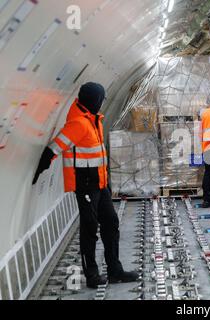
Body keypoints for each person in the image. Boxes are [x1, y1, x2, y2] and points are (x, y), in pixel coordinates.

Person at [32, 82, 139, 289]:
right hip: (86, 187)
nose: (101, 104)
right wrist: (39, 170)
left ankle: (115, 270)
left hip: (100, 184)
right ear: (94, 100)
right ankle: (91, 275)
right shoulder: (78, 123)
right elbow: (54, 148)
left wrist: (105, 181)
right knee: (89, 230)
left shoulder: (94, 120)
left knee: (111, 224)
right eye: (100, 100)